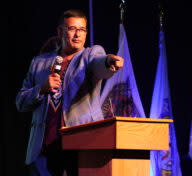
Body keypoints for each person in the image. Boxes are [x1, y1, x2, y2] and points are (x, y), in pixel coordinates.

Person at [16, 9, 124, 176]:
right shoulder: (38, 63)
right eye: (72, 29)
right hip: (43, 153)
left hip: (81, 150)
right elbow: (20, 102)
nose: (77, 35)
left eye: (82, 30)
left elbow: (99, 63)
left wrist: (109, 62)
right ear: (60, 32)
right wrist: (42, 88)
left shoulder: (89, 56)